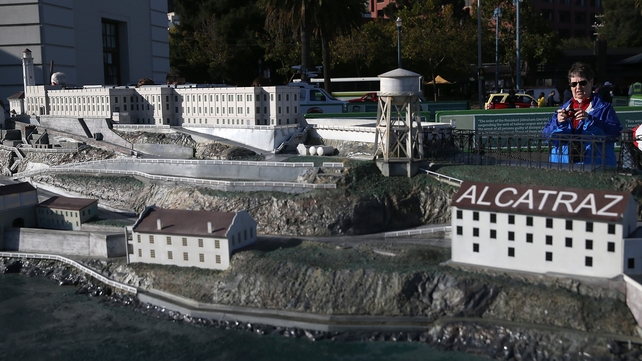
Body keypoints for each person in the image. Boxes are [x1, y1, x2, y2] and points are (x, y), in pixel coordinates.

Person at [542, 62, 622, 167]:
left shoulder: (604, 108)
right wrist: (558, 123)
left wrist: (591, 121)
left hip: (596, 169)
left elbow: (616, 133)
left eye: (582, 83)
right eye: (574, 84)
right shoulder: (562, 110)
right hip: (563, 169)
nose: (578, 87)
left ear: (591, 82)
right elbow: (545, 135)